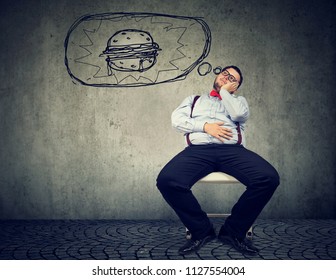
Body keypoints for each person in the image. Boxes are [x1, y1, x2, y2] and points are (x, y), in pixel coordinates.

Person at [156, 65, 280, 255]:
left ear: (235, 87)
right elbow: (177, 121)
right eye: (225, 74)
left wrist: (225, 92)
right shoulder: (194, 100)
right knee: (167, 181)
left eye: (232, 78)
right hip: (198, 151)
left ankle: (233, 232)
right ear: (217, 74)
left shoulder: (239, 101)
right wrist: (205, 126)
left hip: (232, 151)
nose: (226, 77)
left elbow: (239, 115)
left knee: (268, 178)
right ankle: (201, 230)